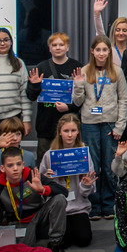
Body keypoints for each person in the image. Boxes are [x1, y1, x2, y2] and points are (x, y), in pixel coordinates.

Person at [72, 35, 127, 219]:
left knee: (110, 166)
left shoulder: (117, 72)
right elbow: (77, 102)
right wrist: (78, 85)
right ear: (92, 51)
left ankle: (108, 204)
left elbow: (124, 100)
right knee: (93, 165)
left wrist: (120, 127)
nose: (101, 53)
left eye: (105, 50)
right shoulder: (84, 71)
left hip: (110, 124)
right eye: (98, 50)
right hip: (89, 124)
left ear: (109, 52)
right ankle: (94, 205)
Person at [0, 147, 77, 252]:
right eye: (10, 165)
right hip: (19, 221)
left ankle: (56, 245)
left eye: (18, 164)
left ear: (23, 165)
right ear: (2, 168)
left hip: (39, 215)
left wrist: (42, 189)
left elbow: (64, 192)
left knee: (59, 199)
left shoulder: (32, 175)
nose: (15, 169)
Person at [38, 114, 96, 248]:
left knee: (84, 240)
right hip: (59, 208)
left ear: (78, 132)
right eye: (66, 131)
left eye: (73, 130)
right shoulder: (50, 155)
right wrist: (47, 179)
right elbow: (40, 186)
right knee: (65, 241)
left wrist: (86, 185)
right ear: (59, 132)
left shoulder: (83, 154)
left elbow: (88, 192)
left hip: (78, 207)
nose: (70, 135)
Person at [26, 32, 84, 160]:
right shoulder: (41, 67)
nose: (58, 48)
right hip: (46, 125)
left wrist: (69, 107)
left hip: (70, 125)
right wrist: (35, 85)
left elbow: (83, 97)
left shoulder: (77, 67)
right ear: (49, 48)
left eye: (61, 45)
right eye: (54, 45)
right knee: (44, 162)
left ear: (67, 47)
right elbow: (31, 96)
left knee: (69, 161)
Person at [92, 0, 127, 67]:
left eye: (124, 30)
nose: (121, 33)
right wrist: (97, 14)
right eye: (118, 30)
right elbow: (100, 33)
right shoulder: (108, 49)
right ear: (113, 31)